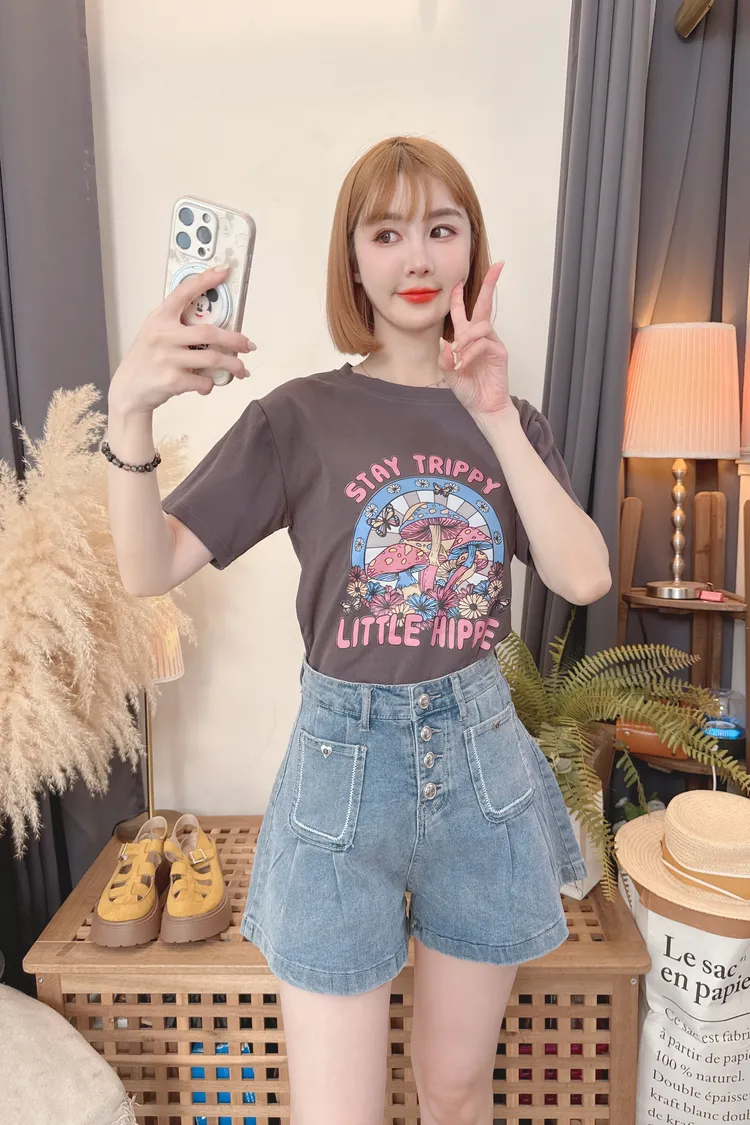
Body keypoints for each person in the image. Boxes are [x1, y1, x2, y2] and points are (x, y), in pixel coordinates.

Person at [106, 136, 611, 1125]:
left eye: (441, 229)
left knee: (455, 1089)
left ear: (471, 250)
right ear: (353, 260)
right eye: (387, 234)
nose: (416, 257)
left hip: (483, 773)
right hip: (343, 774)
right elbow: (146, 568)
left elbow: (584, 575)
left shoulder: (510, 417)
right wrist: (130, 411)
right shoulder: (300, 417)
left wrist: (494, 415)